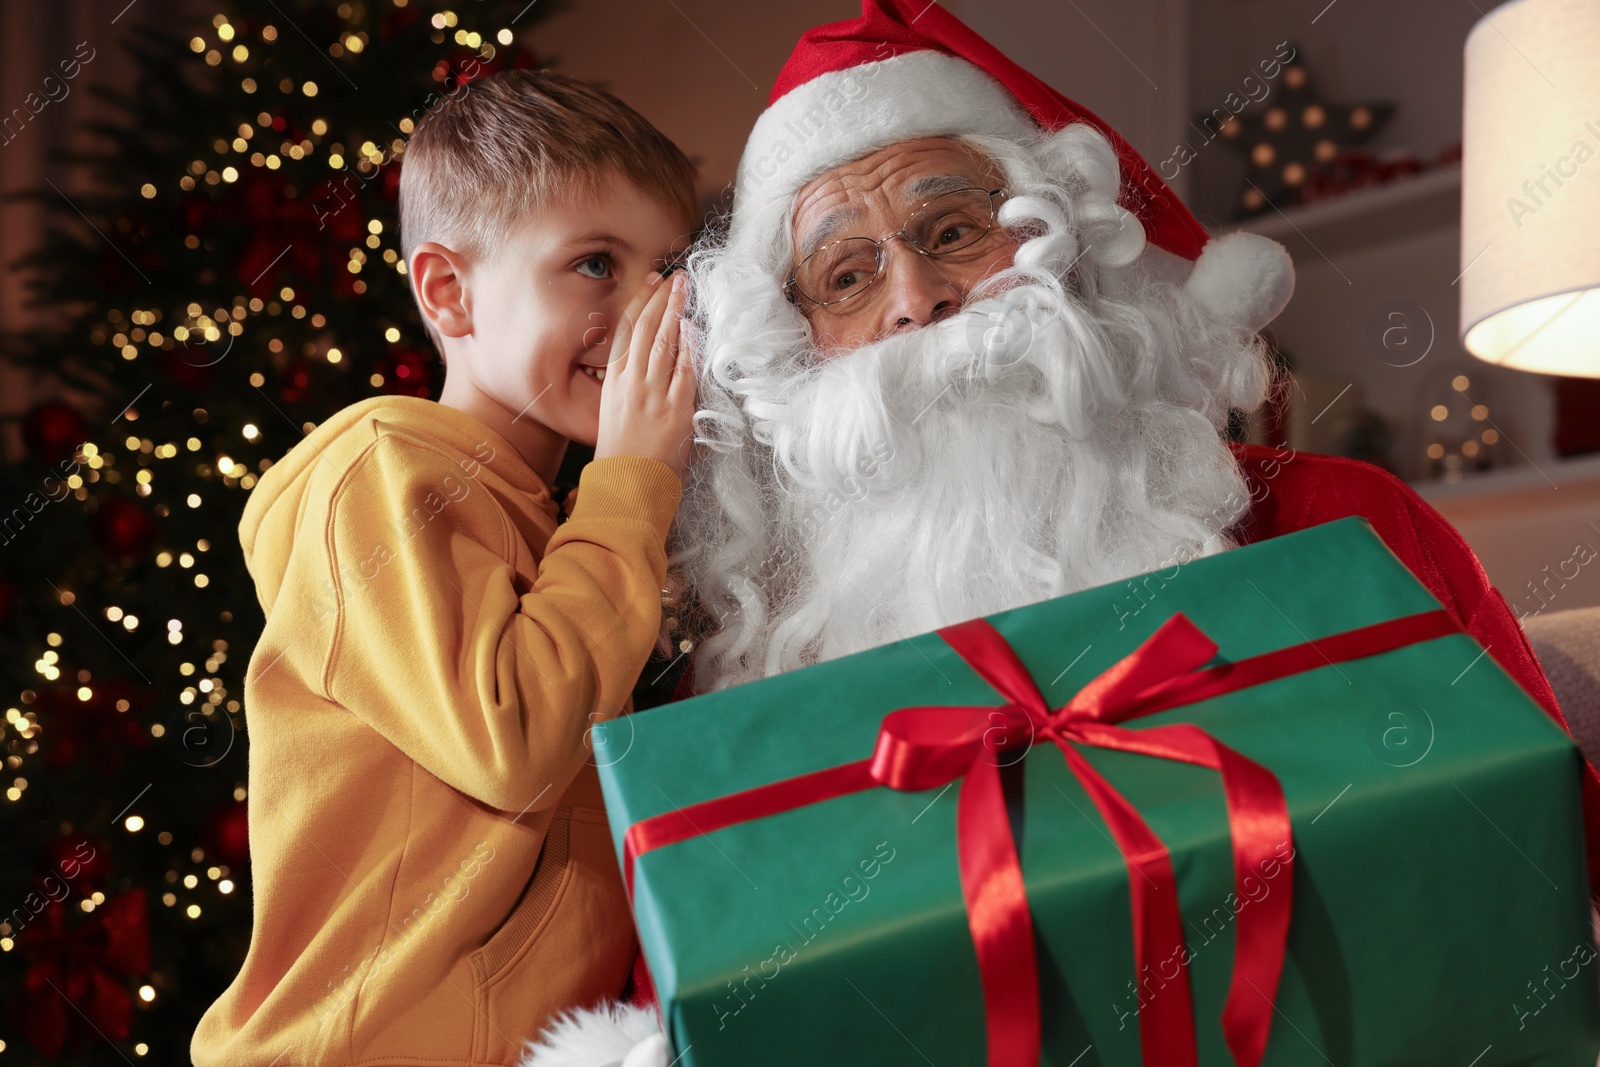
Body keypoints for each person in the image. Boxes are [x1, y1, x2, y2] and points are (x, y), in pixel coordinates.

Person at [525, 2, 1600, 1064]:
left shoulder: (1348, 528)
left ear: (1070, 246)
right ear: (791, 348)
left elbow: (1551, 850)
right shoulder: (739, 689)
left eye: (953, 231)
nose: (917, 298)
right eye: (846, 275)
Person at [191, 70, 698, 1067]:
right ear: (448, 292)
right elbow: (511, 737)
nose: (647, 310)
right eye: (594, 264)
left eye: (667, 270)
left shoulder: (581, 531)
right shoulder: (380, 469)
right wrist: (631, 483)